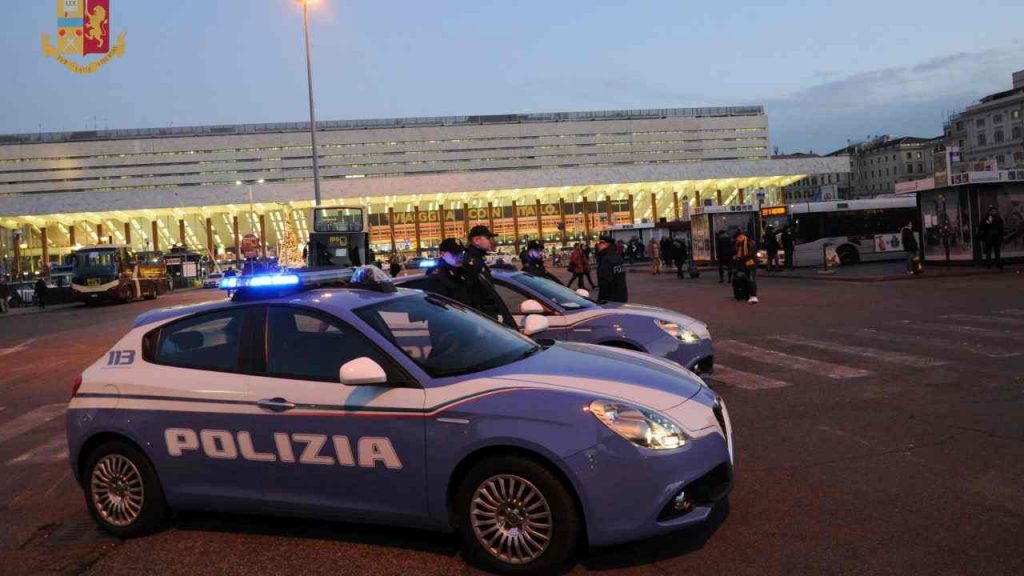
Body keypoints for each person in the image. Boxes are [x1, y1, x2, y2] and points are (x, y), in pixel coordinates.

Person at [463, 225, 516, 328]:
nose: (490, 241)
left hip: (485, 315)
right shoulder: (472, 262)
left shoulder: (477, 259)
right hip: (481, 317)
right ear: (477, 240)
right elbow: (475, 294)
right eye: (487, 238)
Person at [425, 238, 470, 304]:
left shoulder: (461, 270)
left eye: (461, 252)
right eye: (455, 253)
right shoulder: (438, 277)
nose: (460, 256)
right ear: (442, 254)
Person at [596, 235, 628, 302]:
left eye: (600, 243)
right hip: (622, 294)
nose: (598, 245)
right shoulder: (618, 257)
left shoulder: (606, 259)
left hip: (609, 298)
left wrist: (601, 299)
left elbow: (604, 282)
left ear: (606, 244)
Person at [735, 230, 758, 303]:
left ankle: (754, 296)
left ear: (741, 236)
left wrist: (741, 257)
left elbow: (751, 253)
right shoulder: (740, 243)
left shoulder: (749, 242)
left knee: (751, 279)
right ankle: (749, 295)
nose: (737, 240)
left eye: (737, 238)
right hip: (744, 263)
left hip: (751, 263)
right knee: (748, 279)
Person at [978, 205, 1005, 270]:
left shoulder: (998, 218)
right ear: (990, 212)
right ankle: (989, 264)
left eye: (994, 211)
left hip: (996, 238)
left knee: (997, 252)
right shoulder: (986, 218)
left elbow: (1001, 228)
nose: (994, 212)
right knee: (988, 252)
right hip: (989, 238)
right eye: (992, 211)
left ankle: (998, 264)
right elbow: (981, 226)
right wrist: (988, 222)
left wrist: (1000, 235)